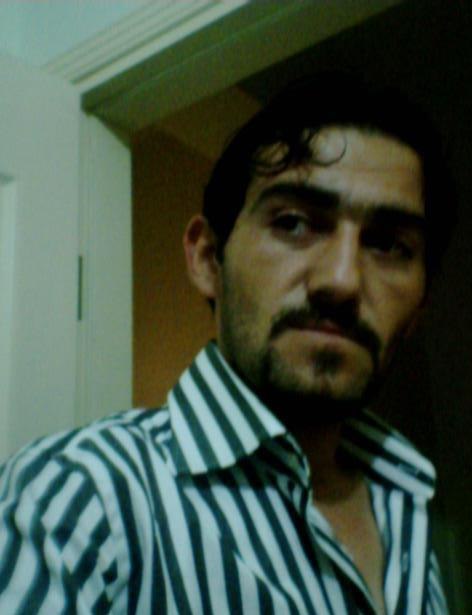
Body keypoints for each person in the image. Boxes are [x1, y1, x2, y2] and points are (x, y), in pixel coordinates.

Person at [0, 72, 453, 614]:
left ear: (420, 306)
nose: (342, 280)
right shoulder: (77, 499)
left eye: (389, 245)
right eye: (294, 223)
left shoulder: (408, 507)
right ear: (208, 259)